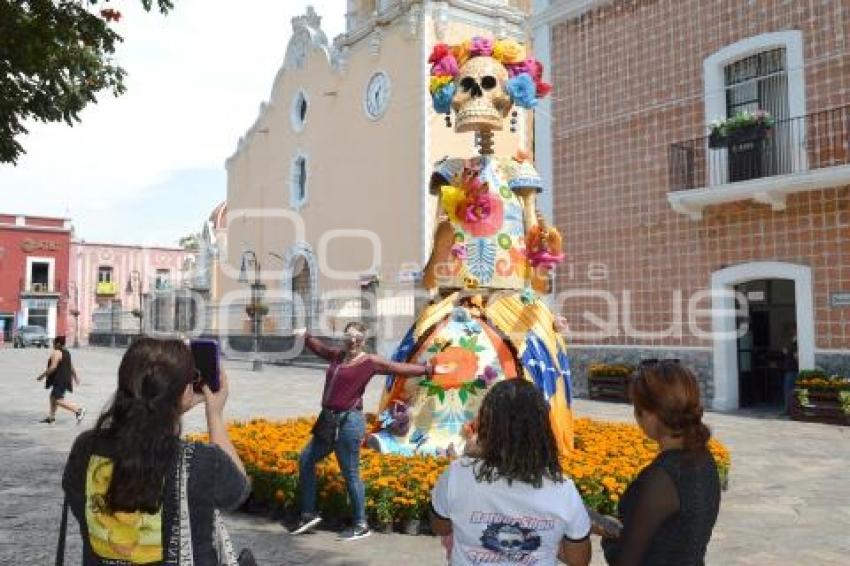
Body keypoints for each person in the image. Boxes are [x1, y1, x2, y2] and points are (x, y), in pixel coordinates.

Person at [61, 337, 250, 564]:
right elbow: (237, 491)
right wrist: (215, 415)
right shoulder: (199, 462)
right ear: (183, 393)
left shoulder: (85, 448)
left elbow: (79, 505)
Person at [291, 322, 445, 541]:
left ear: (363, 341)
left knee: (350, 472)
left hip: (349, 423)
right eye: (349, 336)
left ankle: (361, 524)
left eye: (357, 337)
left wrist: (427, 370)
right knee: (306, 459)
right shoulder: (337, 356)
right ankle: (308, 514)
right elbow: (320, 349)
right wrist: (306, 336)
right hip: (327, 420)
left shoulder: (369, 362)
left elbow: (396, 368)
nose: (352, 340)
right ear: (344, 337)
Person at [429, 379, 592, 566]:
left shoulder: (457, 474)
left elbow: (440, 527)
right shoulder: (563, 489)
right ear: (542, 429)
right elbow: (579, 560)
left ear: (486, 425)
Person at [597, 361, 721, 566]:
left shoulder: (661, 478)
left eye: (638, 410)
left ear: (652, 415)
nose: (636, 417)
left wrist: (609, 535)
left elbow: (625, 561)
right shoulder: (702, 457)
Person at [36, 336, 85, 424]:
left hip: (60, 379)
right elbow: (71, 366)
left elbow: (53, 367)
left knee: (57, 400)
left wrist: (42, 376)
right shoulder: (67, 352)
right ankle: (51, 417)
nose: (53, 344)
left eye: (54, 342)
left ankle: (78, 410)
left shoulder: (57, 352)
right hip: (64, 379)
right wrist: (75, 377)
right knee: (52, 397)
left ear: (58, 343)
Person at [781, 323, 798, 415]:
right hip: (790, 369)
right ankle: (789, 409)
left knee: (789, 390)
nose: (791, 331)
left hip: (792, 370)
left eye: (792, 329)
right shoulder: (793, 341)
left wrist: (787, 352)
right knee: (789, 390)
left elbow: (796, 356)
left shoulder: (796, 343)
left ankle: (788, 410)